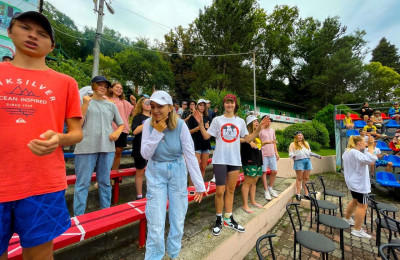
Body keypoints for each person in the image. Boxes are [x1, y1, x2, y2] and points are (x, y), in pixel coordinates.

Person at [0, 11, 83, 259]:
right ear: (10, 31)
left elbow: (77, 132)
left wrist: (60, 138)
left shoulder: (66, 82)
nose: (33, 36)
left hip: (42, 182)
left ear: (52, 46)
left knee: (40, 254)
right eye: (26, 28)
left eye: (42, 34)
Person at [140, 91, 206, 259]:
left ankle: (174, 253)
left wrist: (199, 185)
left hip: (177, 171)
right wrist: (156, 133)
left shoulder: (181, 126)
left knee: (178, 218)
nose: (155, 110)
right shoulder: (148, 124)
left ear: (170, 108)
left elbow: (190, 155)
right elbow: (145, 154)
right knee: (155, 221)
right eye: (153, 106)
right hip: (156, 171)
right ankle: (154, 256)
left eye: (160, 106)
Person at [193, 94, 269, 236]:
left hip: (234, 160)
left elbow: (247, 139)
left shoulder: (240, 121)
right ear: (224, 105)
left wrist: (259, 130)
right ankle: (218, 219)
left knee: (231, 190)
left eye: (231, 102)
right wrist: (200, 123)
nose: (229, 105)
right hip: (220, 160)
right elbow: (206, 136)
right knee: (220, 191)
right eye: (227, 102)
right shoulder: (217, 120)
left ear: (235, 105)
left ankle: (228, 218)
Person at [73, 76, 124, 216]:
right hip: (86, 147)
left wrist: (117, 132)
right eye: (99, 85)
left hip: (107, 147)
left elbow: (121, 124)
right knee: (82, 183)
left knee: (104, 182)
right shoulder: (84, 101)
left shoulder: (111, 105)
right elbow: (78, 125)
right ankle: (79, 216)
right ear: (93, 85)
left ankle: (105, 212)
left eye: (105, 86)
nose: (103, 87)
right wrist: (84, 105)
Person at [343, 135, 377, 238]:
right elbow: (370, 159)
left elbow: (365, 158)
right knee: (363, 206)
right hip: (359, 184)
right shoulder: (355, 152)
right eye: (363, 141)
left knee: (354, 201)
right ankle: (357, 229)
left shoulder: (347, 152)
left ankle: (347, 219)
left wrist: (369, 147)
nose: (365, 143)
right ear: (358, 143)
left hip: (353, 183)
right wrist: (371, 146)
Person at [240, 115, 264, 213]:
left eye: (257, 121)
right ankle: (244, 205)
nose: (257, 122)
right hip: (249, 160)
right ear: (250, 124)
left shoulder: (257, 135)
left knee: (254, 182)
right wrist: (248, 142)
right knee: (247, 183)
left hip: (257, 159)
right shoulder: (246, 133)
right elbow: (238, 139)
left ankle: (252, 201)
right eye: (254, 121)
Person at [289, 131, 322, 201]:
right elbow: (290, 154)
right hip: (299, 162)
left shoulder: (306, 143)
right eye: (298, 135)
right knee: (299, 178)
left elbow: (309, 152)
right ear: (295, 137)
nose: (300, 136)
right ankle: (298, 193)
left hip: (307, 161)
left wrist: (317, 156)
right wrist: (294, 155)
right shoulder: (292, 144)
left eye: (301, 135)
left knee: (306, 178)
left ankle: (306, 194)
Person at [108, 82, 134, 170]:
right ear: (111, 88)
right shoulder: (105, 99)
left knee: (118, 152)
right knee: (106, 153)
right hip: (109, 129)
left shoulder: (124, 102)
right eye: (117, 87)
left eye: (121, 88)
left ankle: (114, 175)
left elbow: (134, 112)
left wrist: (134, 103)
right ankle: (103, 176)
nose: (119, 89)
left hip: (122, 129)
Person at [131, 97, 151, 199]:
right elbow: (134, 131)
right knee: (140, 171)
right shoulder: (137, 117)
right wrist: (147, 123)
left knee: (152, 172)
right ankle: (139, 195)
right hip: (139, 147)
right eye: (145, 102)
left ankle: (151, 193)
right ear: (141, 105)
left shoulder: (156, 117)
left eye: (150, 102)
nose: (148, 104)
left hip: (153, 148)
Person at [187, 99, 211, 183]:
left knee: (203, 167)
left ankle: (200, 186)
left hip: (205, 144)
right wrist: (196, 129)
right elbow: (187, 132)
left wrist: (207, 129)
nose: (202, 107)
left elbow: (210, 133)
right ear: (197, 106)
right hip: (196, 144)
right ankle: (192, 188)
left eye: (204, 105)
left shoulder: (207, 117)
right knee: (195, 168)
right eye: (200, 105)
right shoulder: (192, 117)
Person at [259, 116, 280, 201]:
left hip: (272, 154)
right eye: (267, 120)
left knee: (274, 171)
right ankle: (266, 190)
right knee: (263, 172)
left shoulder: (272, 131)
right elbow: (259, 143)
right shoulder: (260, 131)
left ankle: (270, 187)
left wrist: (276, 153)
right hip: (263, 155)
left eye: (270, 121)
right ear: (263, 121)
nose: (269, 122)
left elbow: (274, 143)